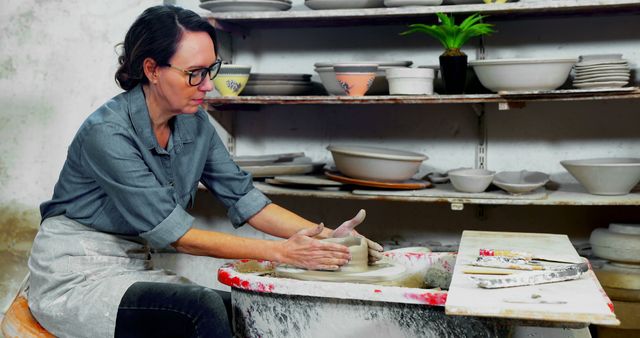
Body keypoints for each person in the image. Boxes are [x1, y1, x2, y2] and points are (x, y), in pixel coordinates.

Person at [27, 5, 383, 338]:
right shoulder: (107, 134)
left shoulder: (193, 122)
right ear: (152, 69)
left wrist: (327, 239)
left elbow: (246, 200)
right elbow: (177, 235)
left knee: (249, 311)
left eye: (211, 70)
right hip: (75, 275)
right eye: (194, 73)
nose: (209, 85)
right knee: (201, 308)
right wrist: (281, 253)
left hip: (132, 266)